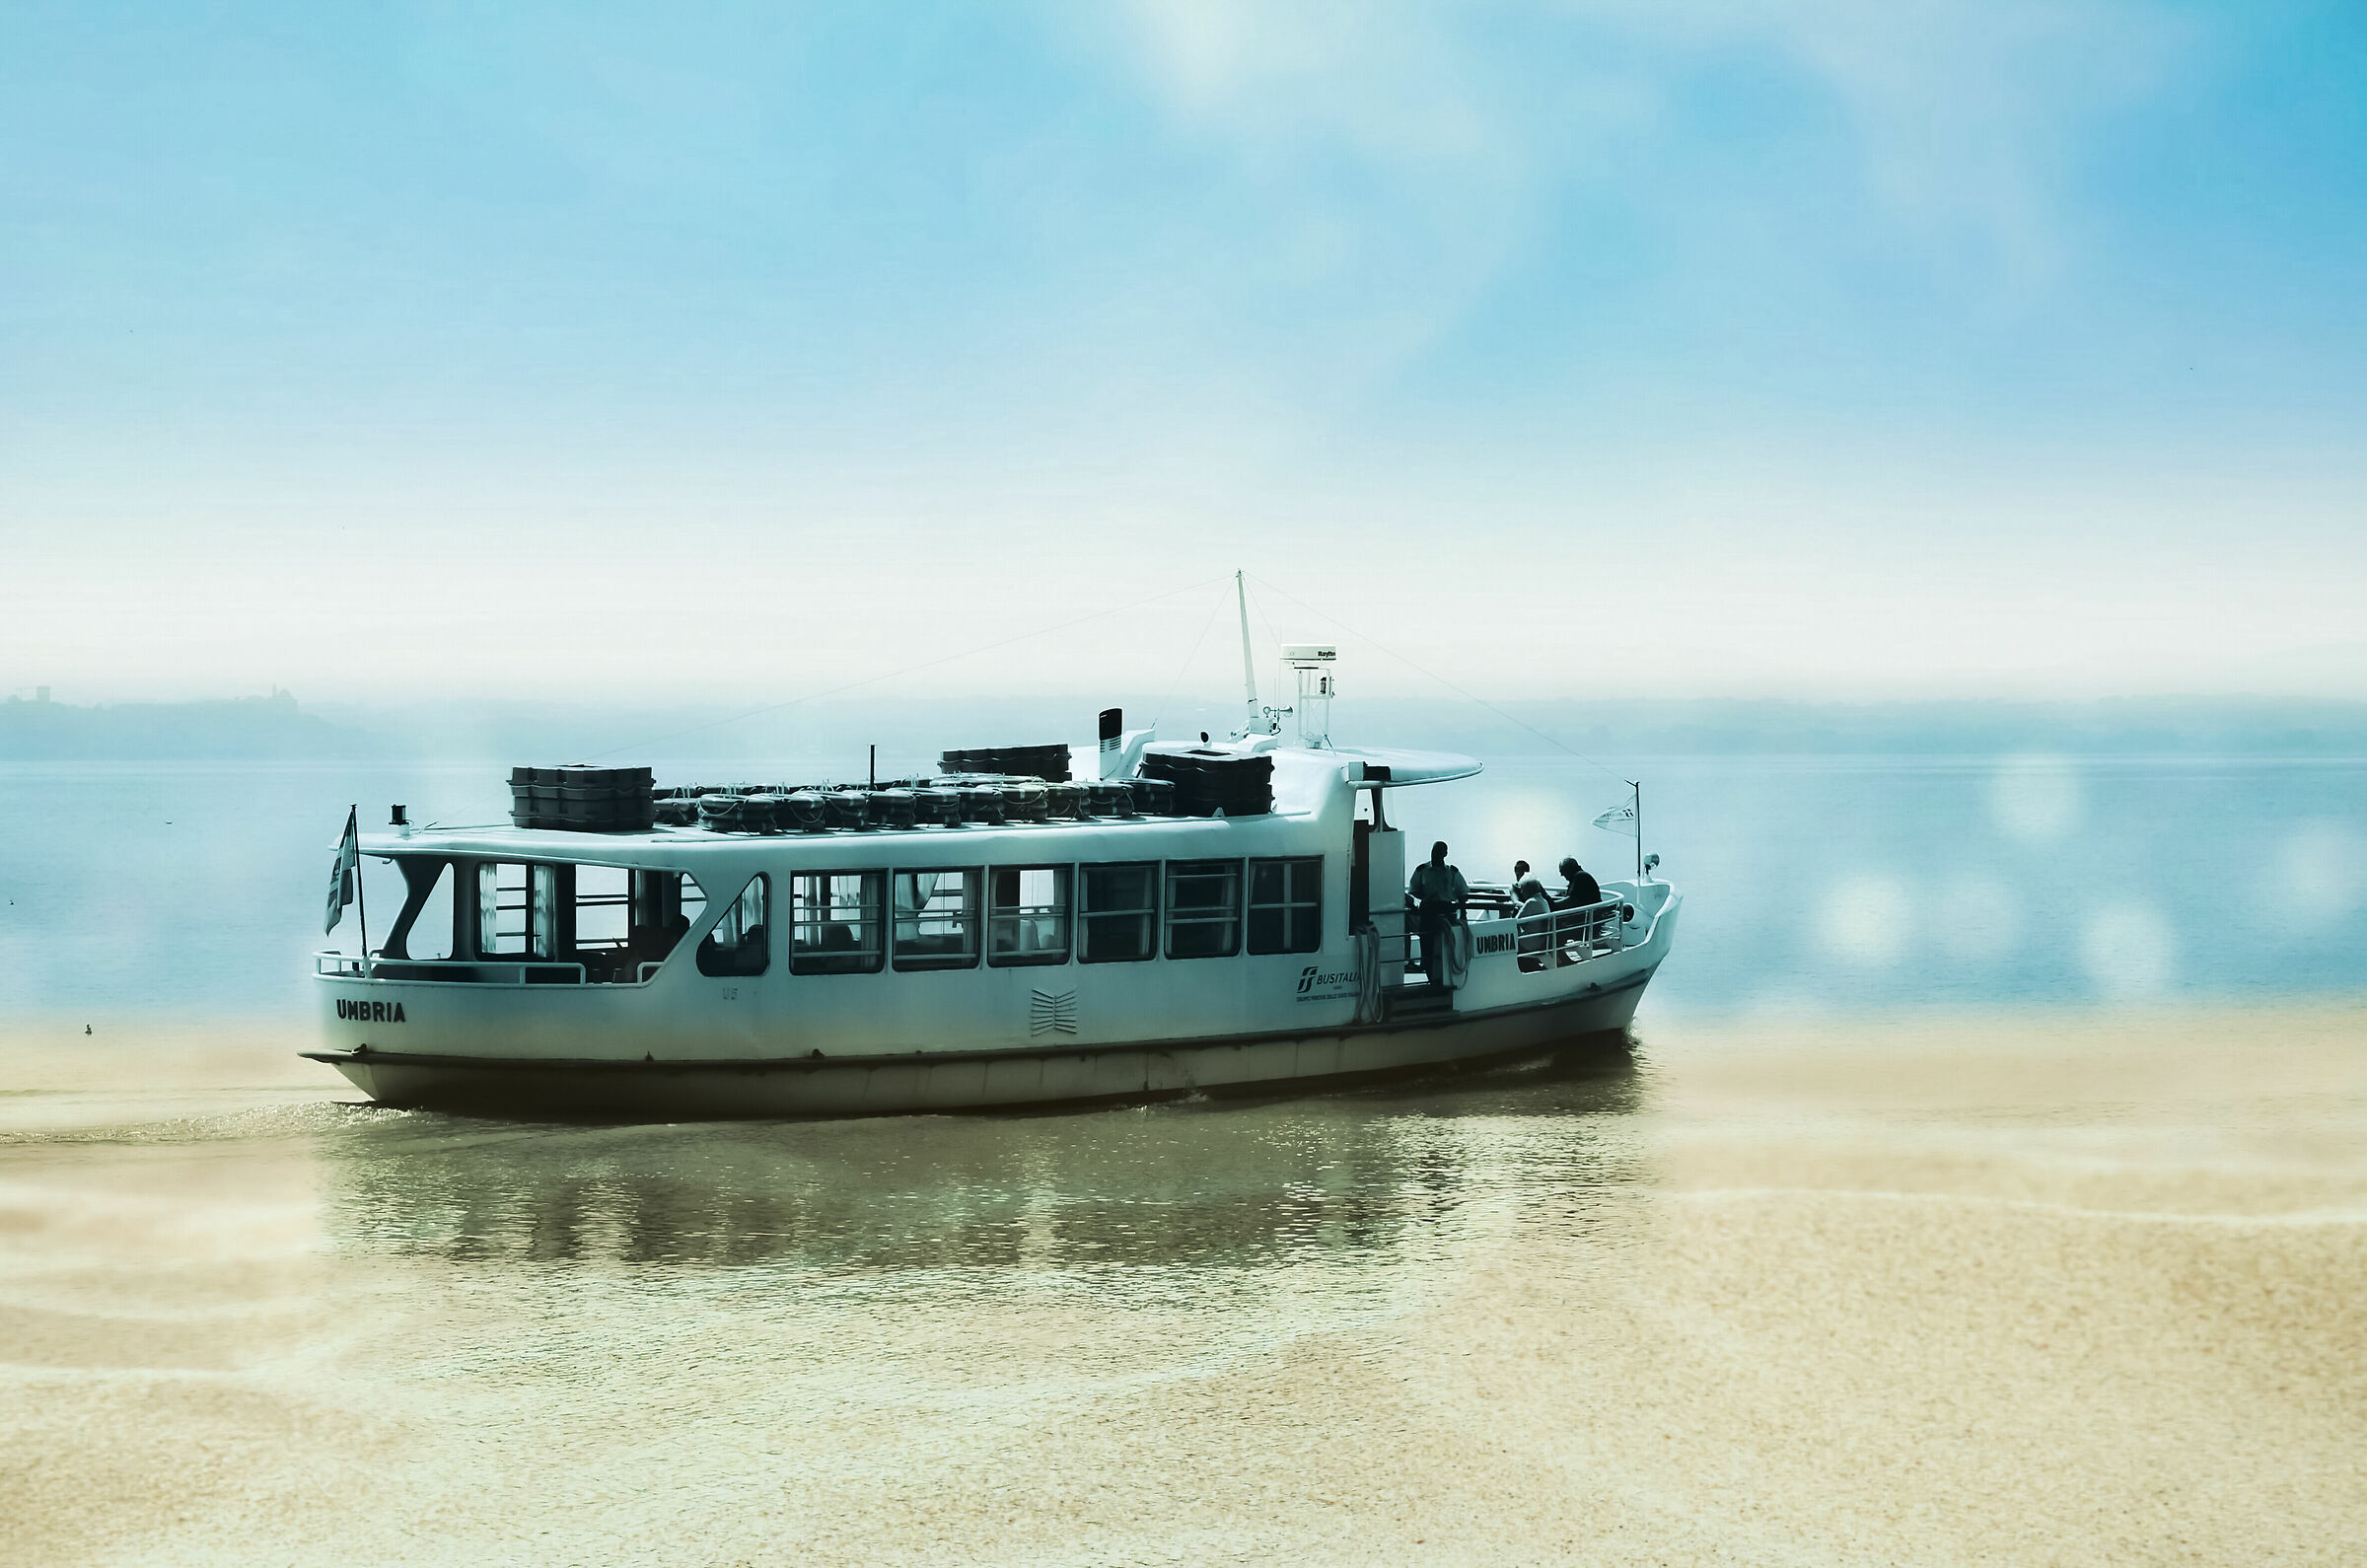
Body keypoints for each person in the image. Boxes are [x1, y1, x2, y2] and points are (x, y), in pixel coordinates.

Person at [1408, 840, 1470, 988]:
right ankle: (1430, 975)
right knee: (1426, 942)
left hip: (1446, 909)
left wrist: (1463, 914)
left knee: (1447, 942)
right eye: (1434, 851)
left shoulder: (1452, 871)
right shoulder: (1422, 870)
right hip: (1428, 909)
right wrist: (1423, 900)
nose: (1435, 854)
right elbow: (1414, 890)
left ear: (1445, 854)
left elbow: (1463, 892)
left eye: (1439, 852)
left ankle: (1446, 975)